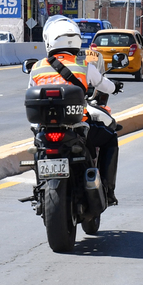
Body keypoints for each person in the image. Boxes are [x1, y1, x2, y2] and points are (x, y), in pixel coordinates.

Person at [27, 16, 119, 203]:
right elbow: (106, 86)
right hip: (77, 127)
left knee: (38, 149)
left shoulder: (37, 67)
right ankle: (108, 189)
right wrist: (116, 87)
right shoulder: (84, 66)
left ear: (49, 41)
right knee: (110, 138)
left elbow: (29, 93)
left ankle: (40, 187)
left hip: (43, 129)